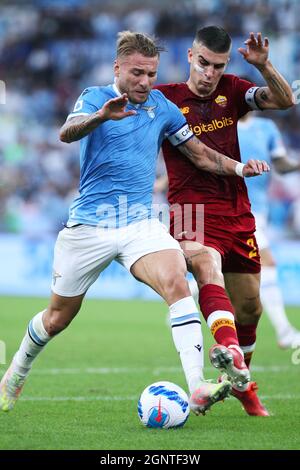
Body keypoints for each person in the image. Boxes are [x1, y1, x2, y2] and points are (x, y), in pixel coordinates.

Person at [0, 31, 268, 416]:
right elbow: (65, 132)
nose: (145, 82)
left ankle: (197, 386)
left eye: (151, 73)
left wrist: (240, 167)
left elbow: (200, 154)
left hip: (139, 222)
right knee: (57, 318)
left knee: (178, 281)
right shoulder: (95, 97)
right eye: (137, 73)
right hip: (90, 225)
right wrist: (101, 116)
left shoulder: (162, 106)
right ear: (118, 69)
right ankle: (17, 371)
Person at [156, 26, 294, 416]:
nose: (209, 73)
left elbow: (284, 100)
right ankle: (233, 358)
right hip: (190, 210)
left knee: (251, 309)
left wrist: (265, 66)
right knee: (207, 268)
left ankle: (239, 378)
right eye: (203, 63)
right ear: (189, 56)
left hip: (237, 212)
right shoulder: (166, 99)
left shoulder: (232, 89)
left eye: (217, 66)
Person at [238, 112, 300, 349]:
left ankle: (181, 302)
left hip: (260, 211)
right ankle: (284, 331)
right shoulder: (223, 124)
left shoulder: (267, 128)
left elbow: (281, 164)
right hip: (236, 209)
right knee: (267, 263)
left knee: (224, 269)